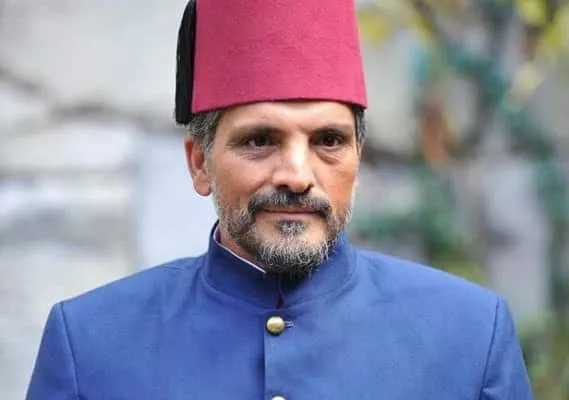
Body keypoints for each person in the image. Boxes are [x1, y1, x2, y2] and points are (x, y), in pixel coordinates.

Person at [27, 0, 534, 399]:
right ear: (200, 164)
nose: (296, 176)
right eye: (259, 140)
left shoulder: (470, 336)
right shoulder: (90, 343)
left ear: (358, 160)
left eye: (328, 141)